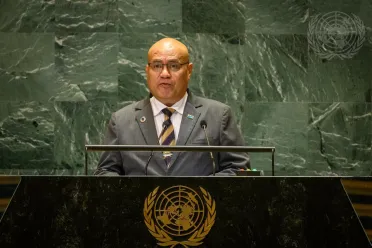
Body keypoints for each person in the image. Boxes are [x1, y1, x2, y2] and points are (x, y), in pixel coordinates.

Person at [94, 38, 250, 176]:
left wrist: (200, 190)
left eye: (174, 65)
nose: (165, 74)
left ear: (189, 71)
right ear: (147, 71)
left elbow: (238, 169)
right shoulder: (122, 121)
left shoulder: (218, 115)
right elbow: (105, 172)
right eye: (156, 66)